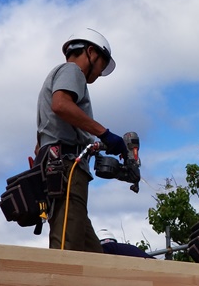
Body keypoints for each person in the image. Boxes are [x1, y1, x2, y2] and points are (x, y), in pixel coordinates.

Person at [35, 27, 130, 252]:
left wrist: (95, 144)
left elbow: (42, 142)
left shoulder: (56, 77)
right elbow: (61, 105)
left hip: (59, 165)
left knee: (92, 254)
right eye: (102, 65)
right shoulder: (72, 71)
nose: (99, 73)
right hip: (67, 169)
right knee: (67, 250)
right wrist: (104, 133)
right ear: (91, 52)